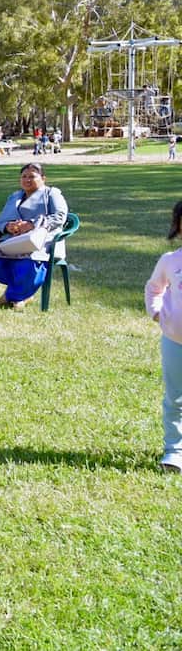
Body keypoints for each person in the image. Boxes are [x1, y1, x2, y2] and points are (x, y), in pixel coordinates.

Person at [0, 162, 68, 309]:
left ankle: (12, 296)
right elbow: (1, 220)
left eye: (32, 176)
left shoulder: (51, 194)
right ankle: (22, 292)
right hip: (13, 240)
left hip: (40, 241)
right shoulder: (14, 196)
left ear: (43, 178)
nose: (27, 180)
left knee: (29, 260)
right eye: (24, 176)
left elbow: (60, 216)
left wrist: (32, 224)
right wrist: (9, 226)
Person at [146, 201, 182, 474]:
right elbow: (154, 287)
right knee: (176, 398)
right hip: (175, 340)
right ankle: (174, 452)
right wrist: (158, 313)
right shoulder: (170, 261)